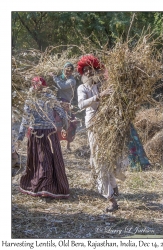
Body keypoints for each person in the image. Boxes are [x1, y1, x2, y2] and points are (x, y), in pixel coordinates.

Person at [77, 55, 119, 212]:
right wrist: (98, 96)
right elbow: (81, 104)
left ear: (95, 70)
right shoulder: (82, 88)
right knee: (98, 157)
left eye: (90, 69)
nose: (88, 72)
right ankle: (110, 198)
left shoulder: (102, 84)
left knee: (109, 155)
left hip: (107, 123)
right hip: (93, 124)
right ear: (82, 72)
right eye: (85, 70)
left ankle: (113, 186)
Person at [17, 76, 69, 199]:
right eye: (35, 85)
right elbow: (25, 118)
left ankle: (47, 187)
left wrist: (65, 122)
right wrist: (20, 136)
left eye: (39, 85)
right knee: (43, 159)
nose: (37, 87)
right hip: (37, 133)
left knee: (47, 159)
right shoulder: (31, 100)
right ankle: (45, 186)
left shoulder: (48, 97)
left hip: (47, 133)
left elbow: (59, 110)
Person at [49, 62, 77, 151]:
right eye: (66, 69)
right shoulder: (60, 77)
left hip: (66, 103)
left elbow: (62, 86)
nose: (68, 72)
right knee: (56, 122)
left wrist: (54, 77)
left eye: (70, 70)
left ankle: (68, 146)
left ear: (72, 72)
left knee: (68, 123)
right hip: (57, 102)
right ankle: (55, 144)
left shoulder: (72, 81)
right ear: (63, 69)